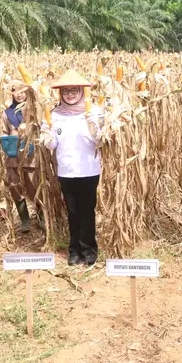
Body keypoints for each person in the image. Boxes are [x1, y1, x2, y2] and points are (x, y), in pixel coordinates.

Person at [40, 70, 103, 266]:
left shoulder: (93, 112)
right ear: (61, 93)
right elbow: (52, 144)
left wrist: (95, 127)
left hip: (89, 169)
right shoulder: (55, 114)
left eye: (74, 90)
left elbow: (100, 141)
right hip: (66, 170)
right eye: (66, 91)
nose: (70, 94)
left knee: (87, 211)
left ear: (82, 91)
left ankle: (89, 250)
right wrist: (47, 134)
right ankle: (74, 250)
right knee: (72, 211)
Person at [1, 85, 44, 233]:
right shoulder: (7, 113)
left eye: (23, 91)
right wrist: (6, 138)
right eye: (16, 92)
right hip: (13, 157)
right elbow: (3, 132)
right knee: (15, 187)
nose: (19, 95)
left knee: (34, 187)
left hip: (32, 157)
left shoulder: (36, 111)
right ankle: (24, 220)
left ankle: (41, 217)